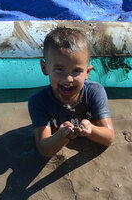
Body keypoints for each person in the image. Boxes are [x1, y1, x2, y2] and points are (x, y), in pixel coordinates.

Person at [28, 26, 115, 157]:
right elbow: (44, 149)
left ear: (87, 72)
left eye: (77, 71)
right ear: (44, 68)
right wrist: (61, 136)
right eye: (59, 69)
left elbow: (108, 137)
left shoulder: (94, 92)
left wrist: (91, 130)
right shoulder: (38, 101)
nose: (68, 79)